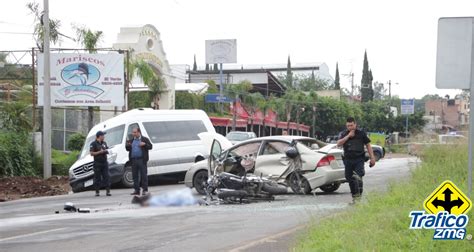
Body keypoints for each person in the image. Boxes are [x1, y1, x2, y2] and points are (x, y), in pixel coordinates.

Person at [337, 117, 376, 203]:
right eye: (348, 126)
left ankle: (358, 198)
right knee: (349, 178)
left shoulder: (361, 133)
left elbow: (368, 145)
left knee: (358, 178)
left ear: (355, 124)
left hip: (359, 159)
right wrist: (348, 136)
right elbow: (338, 143)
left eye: (351, 125)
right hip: (348, 160)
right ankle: (354, 197)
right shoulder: (344, 133)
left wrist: (372, 158)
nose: (350, 127)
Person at [126, 127, 153, 196]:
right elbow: (127, 149)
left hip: (142, 160)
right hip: (133, 160)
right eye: (133, 132)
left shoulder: (144, 139)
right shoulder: (132, 140)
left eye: (135, 132)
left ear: (139, 132)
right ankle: (136, 190)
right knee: (135, 176)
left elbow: (150, 146)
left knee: (144, 175)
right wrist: (128, 145)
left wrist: (145, 144)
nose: (133, 134)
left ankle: (145, 190)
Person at [89, 131, 111, 197]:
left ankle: (108, 191)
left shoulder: (104, 143)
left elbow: (106, 150)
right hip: (97, 163)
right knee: (97, 178)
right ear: (99, 136)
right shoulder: (93, 143)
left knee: (106, 176)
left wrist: (107, 151)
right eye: (103, 135)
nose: (104, 137)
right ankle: (97, 192)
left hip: (104, 163)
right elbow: (91, 153)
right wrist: (100, 152)